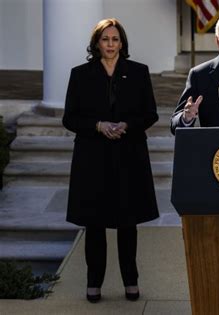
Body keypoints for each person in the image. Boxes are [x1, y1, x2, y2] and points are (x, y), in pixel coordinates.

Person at [62, 18, 159, 303]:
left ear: (122, 43)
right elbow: (70, 117)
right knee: (94, 223)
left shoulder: (138, 72)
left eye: (115, 39)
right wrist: (98, 125)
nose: (111, 45)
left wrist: (126, 124)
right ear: (96, 43)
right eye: (105, 39)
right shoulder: (80, 74)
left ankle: (131, 281)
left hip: (129, 155)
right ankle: (94, 283)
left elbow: (150, 113)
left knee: (128, 223)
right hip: (93, 157)